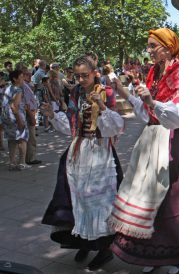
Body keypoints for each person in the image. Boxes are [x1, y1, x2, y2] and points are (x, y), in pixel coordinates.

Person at [108, 28, 179, 274]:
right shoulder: (154, 71)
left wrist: (152, 102)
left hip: (170, 138)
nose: (149, 51)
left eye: (152, 46)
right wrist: (133, 95)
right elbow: (146, 111)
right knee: (150, 197)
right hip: (152, 137)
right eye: (148, 46)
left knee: (172, 196)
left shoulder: (177, 71)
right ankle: (155, 255)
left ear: (167, 47)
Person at [41, 55, 124, 271]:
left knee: (100, 202)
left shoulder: (105, 92)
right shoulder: (76, 92)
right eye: (77, 76)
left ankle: (104, 249)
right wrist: (52, 116)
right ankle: (85, 241)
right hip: (79, 151)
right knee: (78, 199)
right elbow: (72, 125)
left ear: (95, 73)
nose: (80, 79)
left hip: (99, 152)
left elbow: (116, 127)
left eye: (84, 75)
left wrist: (102, 108)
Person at [1, 70, 30, 171]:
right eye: (21, 77)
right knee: (22, 139)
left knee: (11, 140)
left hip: (6, 117)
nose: (23, 79)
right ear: (15, 79)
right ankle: (22, 163)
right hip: (15, 117)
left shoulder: (7, 88)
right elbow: (14, 106)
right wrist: (20, 120)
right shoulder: (18, 90)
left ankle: (12, 162)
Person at [21, 67, 41, 165]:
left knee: (31, 137)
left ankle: (29, 157)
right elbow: (26, 104)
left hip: (31, 113)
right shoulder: (23, 86)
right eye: (27, 74)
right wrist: (32, 116)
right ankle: (30, 158)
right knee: (31, 137)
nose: (30, 76)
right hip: (29, 114)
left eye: (30, 74)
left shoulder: (27, 85)